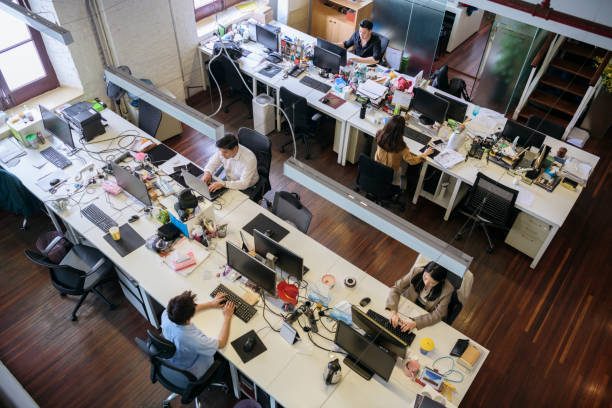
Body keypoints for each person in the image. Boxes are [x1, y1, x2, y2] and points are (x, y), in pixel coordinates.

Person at [161, 290, 234, 377]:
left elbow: (185, 312)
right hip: (192, 368)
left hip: (175, 358)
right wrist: (228, 316)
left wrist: (211, 304)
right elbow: (222, 343)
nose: (196, 306)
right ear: (188, 318)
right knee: (225, 357)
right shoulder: (190, 338)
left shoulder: (167, 314)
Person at [385, 261, 454, 332]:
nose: (426, 284)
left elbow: (439, 314)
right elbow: (396, 288)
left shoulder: (448, 289)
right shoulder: (416, 271)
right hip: (407, 305)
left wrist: (416, 323)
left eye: (432, 283)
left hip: (425, 312)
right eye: (425, 278)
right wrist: (393, 313)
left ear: (440, 282)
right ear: (424, 270)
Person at [374, 115, 433, 186]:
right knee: (404, 167)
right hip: (391, 174)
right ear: (401, 131)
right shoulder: (401, 147)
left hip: (377, 168)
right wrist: (425, 154)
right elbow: (412, 161)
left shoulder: (379, 134)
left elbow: (394, 123)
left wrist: (402, 119)